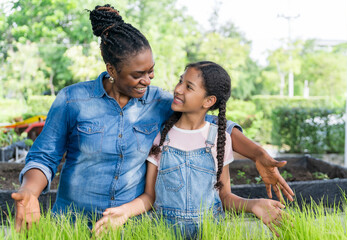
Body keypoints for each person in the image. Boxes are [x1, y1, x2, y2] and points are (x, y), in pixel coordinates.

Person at [11, 4, 293, 231]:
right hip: (71, 224)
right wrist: (30, 191)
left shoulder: (159, 102)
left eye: (151, 70)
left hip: (130, 226)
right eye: (138, 74)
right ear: (111, 69)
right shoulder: (73, 100)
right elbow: (44, 157)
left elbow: (214, 124)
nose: (148, 79)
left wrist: (257, 154)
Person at [93, 61, 285, 238]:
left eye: (188, 86)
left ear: (208, 101)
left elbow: (224, 197)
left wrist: (254, 205)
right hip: (164, 233)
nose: (177, 89)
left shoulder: (219, 139)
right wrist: (125, 212)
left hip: (211, 231)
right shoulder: (162, 138)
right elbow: (150, 196)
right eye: (180, 81)